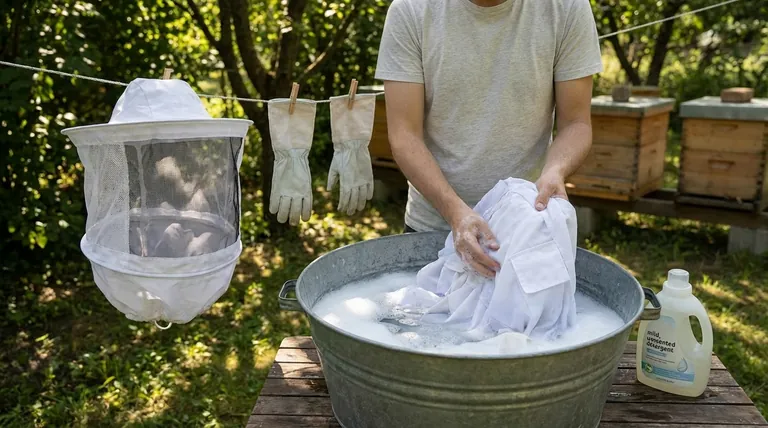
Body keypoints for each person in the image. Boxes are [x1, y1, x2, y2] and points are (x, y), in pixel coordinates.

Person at [374, 0, 603, 279]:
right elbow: (404, 134)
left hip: (525, 231)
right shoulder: (411, 9)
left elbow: (576, 123)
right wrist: (456, 213)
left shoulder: (566, 8)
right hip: (432, 229)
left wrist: (556, 170)